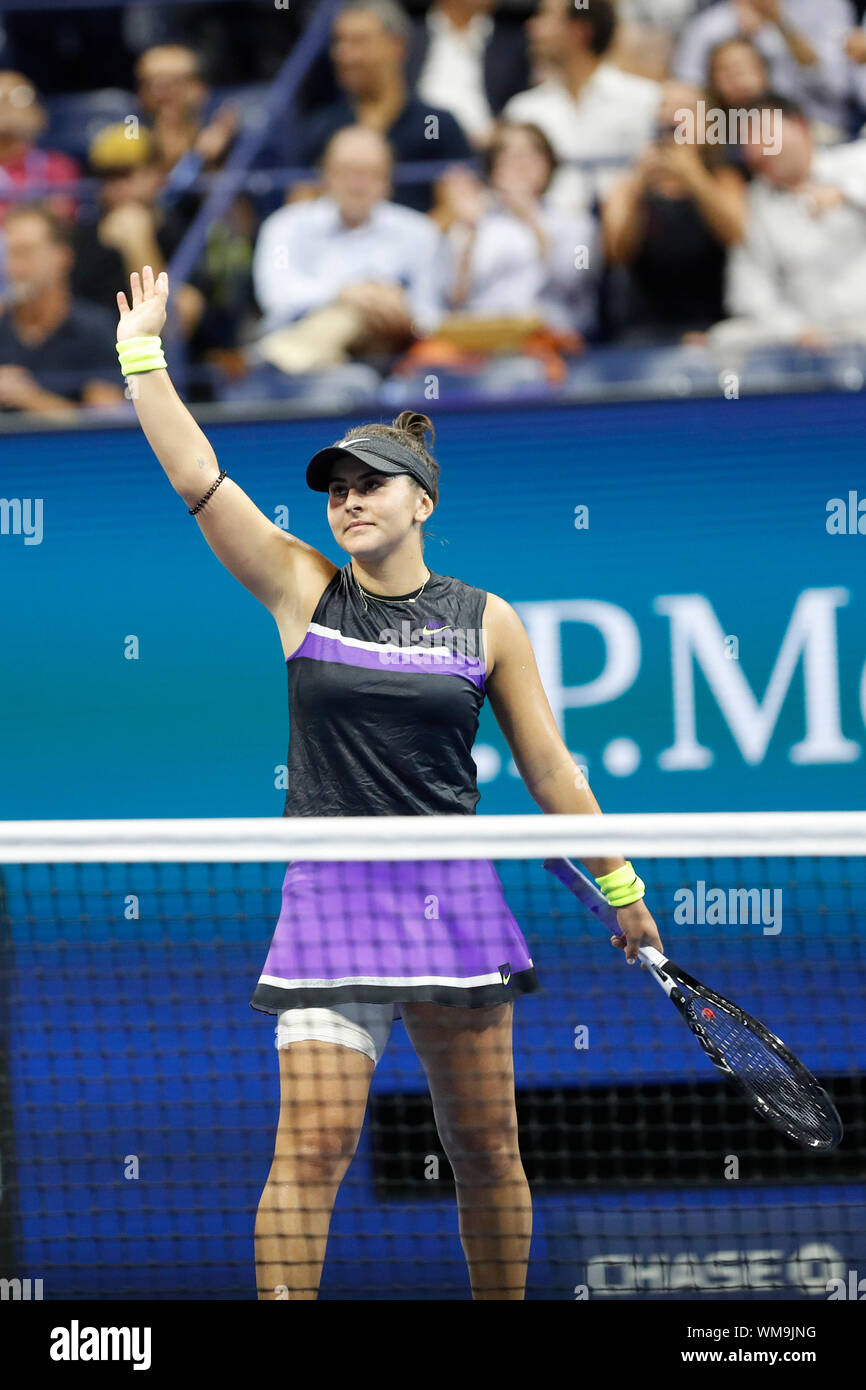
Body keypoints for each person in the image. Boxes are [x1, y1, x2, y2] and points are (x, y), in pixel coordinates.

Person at [115, 262, 665, 1300]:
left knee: (487, 1146)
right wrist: (143, 357)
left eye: (368, 483)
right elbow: (200, 480)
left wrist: (622, 887)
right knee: (313, 1145)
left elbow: (549, 769)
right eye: (335, 487)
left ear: (422, 499)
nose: (347, 499)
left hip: (454, 898)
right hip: (330, 898)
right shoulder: (301, 590)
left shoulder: (484, 617)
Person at [251, 126, 443, 375]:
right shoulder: (286, 226)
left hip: (395, 350)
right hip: (309, 354)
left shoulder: (419, 232)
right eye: (347, 172)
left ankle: (281, 355)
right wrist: (344, 294)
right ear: (326, 175)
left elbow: (433, 312)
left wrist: (400, 311)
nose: (357, 184)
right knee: (346, 340)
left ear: (388, 180)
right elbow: (276, 295)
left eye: (370, 173)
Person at [707, 95, 866, 366]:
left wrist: (847, 195)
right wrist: (795, 329)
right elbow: (747, 292)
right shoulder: (755, 202)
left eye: (762, 133)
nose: (756, 150)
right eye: (747, 142)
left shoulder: (856, 161)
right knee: (724, 338)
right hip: (809, 338)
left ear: (800, 126)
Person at [601, 81, 746, 342]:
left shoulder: (725, 179)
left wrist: (693, 176)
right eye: (665, 107)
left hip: (714, 327)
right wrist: (639, 187)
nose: (672, 117)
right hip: (644, 331)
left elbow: (737, 235)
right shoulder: (629, 184)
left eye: (686, 109)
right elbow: (616, 253)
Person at [297, 0, 473, 214]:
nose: (345, 55)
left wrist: (405, 240)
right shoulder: (322, 126)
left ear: (397, 46)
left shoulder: (434, 124)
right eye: (340, 42)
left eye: (359, 42)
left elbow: (457, 206)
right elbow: (300, 207)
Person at [437, 121, 600, 335]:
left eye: (531, 154)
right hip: (482, 338)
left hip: (549, 336)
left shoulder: (577, 223)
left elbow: (573, 281)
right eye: (508, 155)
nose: (520, 164)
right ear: (493, 169)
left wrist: (531, 219)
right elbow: (454, 297)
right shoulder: (474, 222)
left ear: (549, 163)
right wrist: (468, 233)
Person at [501, 0, 661, 215]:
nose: (532, 26)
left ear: (579, 31)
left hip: (626, 235)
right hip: (543, 237)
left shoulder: (646, 101)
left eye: (546, 16)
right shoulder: (522, 110)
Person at [0, 203, 123, 413]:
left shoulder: (94, 329)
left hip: (64, 446)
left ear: (62, 257)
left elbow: (105, 426)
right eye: (9, 254)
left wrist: (29, 398)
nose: (14, 267)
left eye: (26, 253)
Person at [673, 0, 856, 141]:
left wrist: (779, 21)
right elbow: (687, 88)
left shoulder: (825, 6)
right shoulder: (713, 24)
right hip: (733, 129)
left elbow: (837, 87)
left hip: (818, 128)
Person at [406, 0, 530, 147]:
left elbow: (522, 99)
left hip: (491, 146)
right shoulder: (406, 37)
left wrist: (501, 128)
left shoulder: (513, 43)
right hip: (422, 138)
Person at [0, 70, 80, 226]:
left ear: (37, 111)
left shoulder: (58, 166)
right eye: (1, 100)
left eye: (18, 99)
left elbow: (62, 216)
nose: (8, 109)